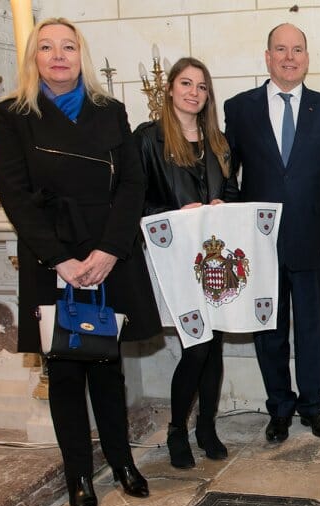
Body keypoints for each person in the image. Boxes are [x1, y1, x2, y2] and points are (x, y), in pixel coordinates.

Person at [0, 18, 162, 506]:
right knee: (65, 369)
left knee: (107, 365)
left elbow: (132, 184)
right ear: (34, 58)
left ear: (80, 55)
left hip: (106, 253)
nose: (58, 55)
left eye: (68, 46)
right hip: (53, 256)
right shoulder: (14, 114)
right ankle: (79, 476)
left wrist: (109, 251)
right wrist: (60, 259)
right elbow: (15, 195)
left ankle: (122, 462)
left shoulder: (110, 111)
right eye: (47, 47)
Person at [223, 23, 320, 443]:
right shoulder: (239, 108)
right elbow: (229, 176)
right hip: (257, 245)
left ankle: (313, 408)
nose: (289, 57)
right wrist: (227, 222)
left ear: (307, 58)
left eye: (297, 50)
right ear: (267, 57)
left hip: (314, 241)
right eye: (280, 50)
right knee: (269, 331)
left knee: (313, 329)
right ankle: (279, 407)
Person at [135, 57, 240, 469]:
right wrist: (175, 212)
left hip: (213, 260)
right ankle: (178, 428)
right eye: (185, 83)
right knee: (196, 347)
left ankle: (207, 426)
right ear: (170, 90)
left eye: (201, 86)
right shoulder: (149, 139)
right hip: (175, 258)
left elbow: (233, 191)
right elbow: (136, 198)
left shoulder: (219, 141)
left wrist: (221, 204)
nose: (193, 92)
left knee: (214, 349)